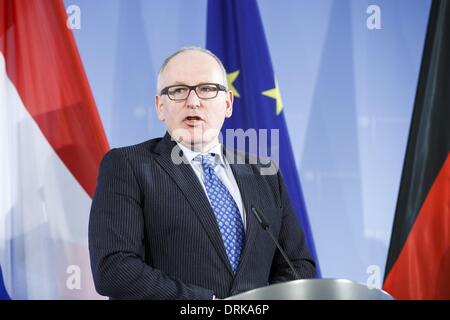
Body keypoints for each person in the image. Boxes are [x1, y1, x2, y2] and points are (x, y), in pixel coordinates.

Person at [88, 47, 315, 300]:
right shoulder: (128, 165)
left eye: (207, 89)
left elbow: (298, 266)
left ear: (228, 103)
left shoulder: (265, 173)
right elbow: (114, 269)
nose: (193, 101)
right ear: (160, 106)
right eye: (178, 91)